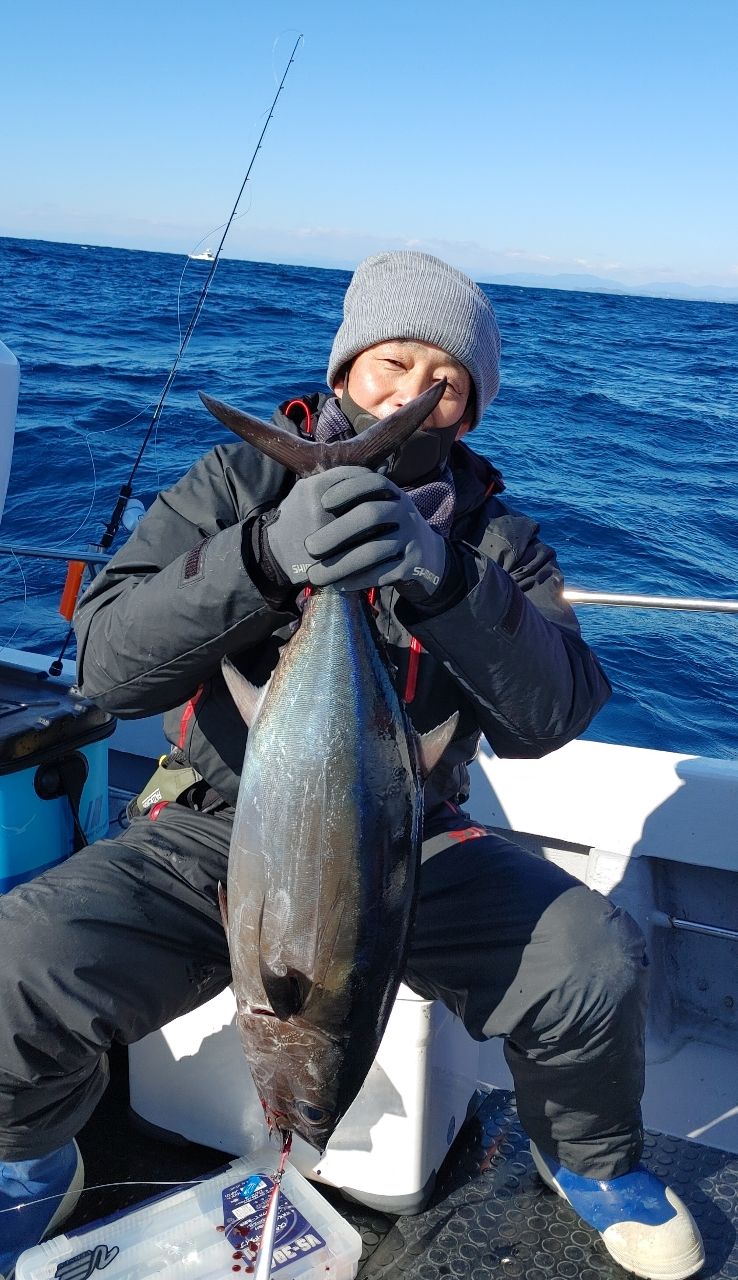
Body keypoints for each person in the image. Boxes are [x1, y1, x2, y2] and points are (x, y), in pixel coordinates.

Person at [0, 252, 704, 1280]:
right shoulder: (238, 481)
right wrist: (261, 556)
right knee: (16, 966)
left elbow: (557, 708)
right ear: (343, 373)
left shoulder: (499, 537)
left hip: (410, 835)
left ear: (472, 407)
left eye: (445, 377)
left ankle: (589, 1162)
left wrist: (446, 576)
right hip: (217, 825)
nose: (413, 392)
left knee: (592, 959)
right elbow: (108, 663)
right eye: (393, 361)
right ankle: (27, 1150)